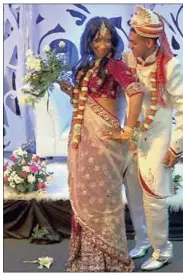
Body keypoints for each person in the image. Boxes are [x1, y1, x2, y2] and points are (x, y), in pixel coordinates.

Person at [58, 16, 144, 272]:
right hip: (83, 137)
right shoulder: (85, 66)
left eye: (107, 39)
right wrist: (70, 91)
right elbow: (85, 101)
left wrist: (128, 130)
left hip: (104, 140)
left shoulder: (116, 66)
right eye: (97, 39)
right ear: (89, 40)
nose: (103, 45)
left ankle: (111, 258)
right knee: (85, 194)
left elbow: (136, 92)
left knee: (104, 198)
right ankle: (87, 258)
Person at [122, 7, 183, 271]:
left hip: (159, 138)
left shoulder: (171, 67)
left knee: (153, 195)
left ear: (149, 42)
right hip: (133, 136)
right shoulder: (130, 60)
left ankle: (162, 250)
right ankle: (142, 241)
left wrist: (177, 146)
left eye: (134, 42)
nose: (130, 46)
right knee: (133, 190)